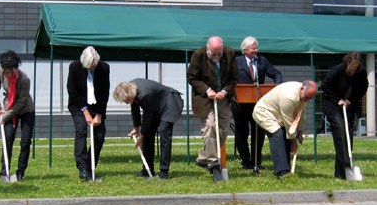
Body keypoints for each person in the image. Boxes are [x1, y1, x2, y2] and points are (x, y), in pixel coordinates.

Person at [113, 79, 183, 179]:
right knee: (148, 135)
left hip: (169, 102)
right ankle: (147, 169)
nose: (126, 103)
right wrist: (136, 128)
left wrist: (141, 138)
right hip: (156, 106)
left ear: (130, 93)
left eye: (127, 100)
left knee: (164, 133)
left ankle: (164, 171)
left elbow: (147, 117)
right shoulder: (131, 88)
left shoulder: (145, 94)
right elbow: (135, 108)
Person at [187, 36, 239, 174]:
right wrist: (207, 90)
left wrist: (224, 91)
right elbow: (191, 77)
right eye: (213, 53)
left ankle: (202, 158)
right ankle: (212, 161)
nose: (216, 56)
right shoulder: (198, 55)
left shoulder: (230, 53)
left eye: (219, 53)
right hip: (204, 98)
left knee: (223, 131)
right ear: (207, 48)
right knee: (209, 126)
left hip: (223, 97)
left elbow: (234, 78)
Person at [232, 36, 282, 170]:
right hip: (240, 104)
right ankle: (245, 161)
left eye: (256, 48)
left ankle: (256, 162)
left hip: (258, 104)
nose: (256, 51)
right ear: (245, 49)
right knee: (241, 133)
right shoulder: (236, 61)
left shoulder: (261, 61)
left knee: (258, 133)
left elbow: (276, 73)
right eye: (253, 48)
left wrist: (277, 86)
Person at [252, 80, 317, 178]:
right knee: (277, 134)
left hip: (277, 114)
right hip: (263, 112)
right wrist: (294, 142)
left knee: (285, 135)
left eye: (310, 98)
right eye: (307, 97)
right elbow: (288, 122)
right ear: (302, 89)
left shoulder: (303, 95)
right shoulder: (289, 97)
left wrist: (299, 132)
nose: (307, 100)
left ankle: (286, 168)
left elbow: (301, 115)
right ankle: (281, 172)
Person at [322, 51, 368, 179]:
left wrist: (351, 100)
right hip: (333, 106)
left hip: (349, 106)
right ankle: (345, 165)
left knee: (348, 136)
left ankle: (342, 171)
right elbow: (325, 85)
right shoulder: (338, 70)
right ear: (347, 64)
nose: (354, 70)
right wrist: (338, 99)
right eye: (352, 67)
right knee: (341, 133)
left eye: (356, 68)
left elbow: (363, 88)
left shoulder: (361, 73)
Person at [67, 46, 110, 180]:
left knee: (100, 135)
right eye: (89, 66)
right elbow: (72, 90)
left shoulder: (104, 68)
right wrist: (84, 111)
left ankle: (90, 166)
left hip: (96, 106)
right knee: (81, 130)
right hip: (78, 105)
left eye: (93, 65)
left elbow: (104, 92)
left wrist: (99, 114)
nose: (91, 68)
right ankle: (82, 168)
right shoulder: (74, 67)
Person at [0, 50, 35, 181]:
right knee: (8, 139)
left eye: (11, 72)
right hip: (8, 107)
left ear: (16, 67)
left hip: (25, 109)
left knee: (25, 142)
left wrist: (5, 115)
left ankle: (20, 172)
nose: (8, 74)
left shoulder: (24, 79)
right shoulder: (0, 71)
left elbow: (21, 102)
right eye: (6, 71)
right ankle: (5, 171)